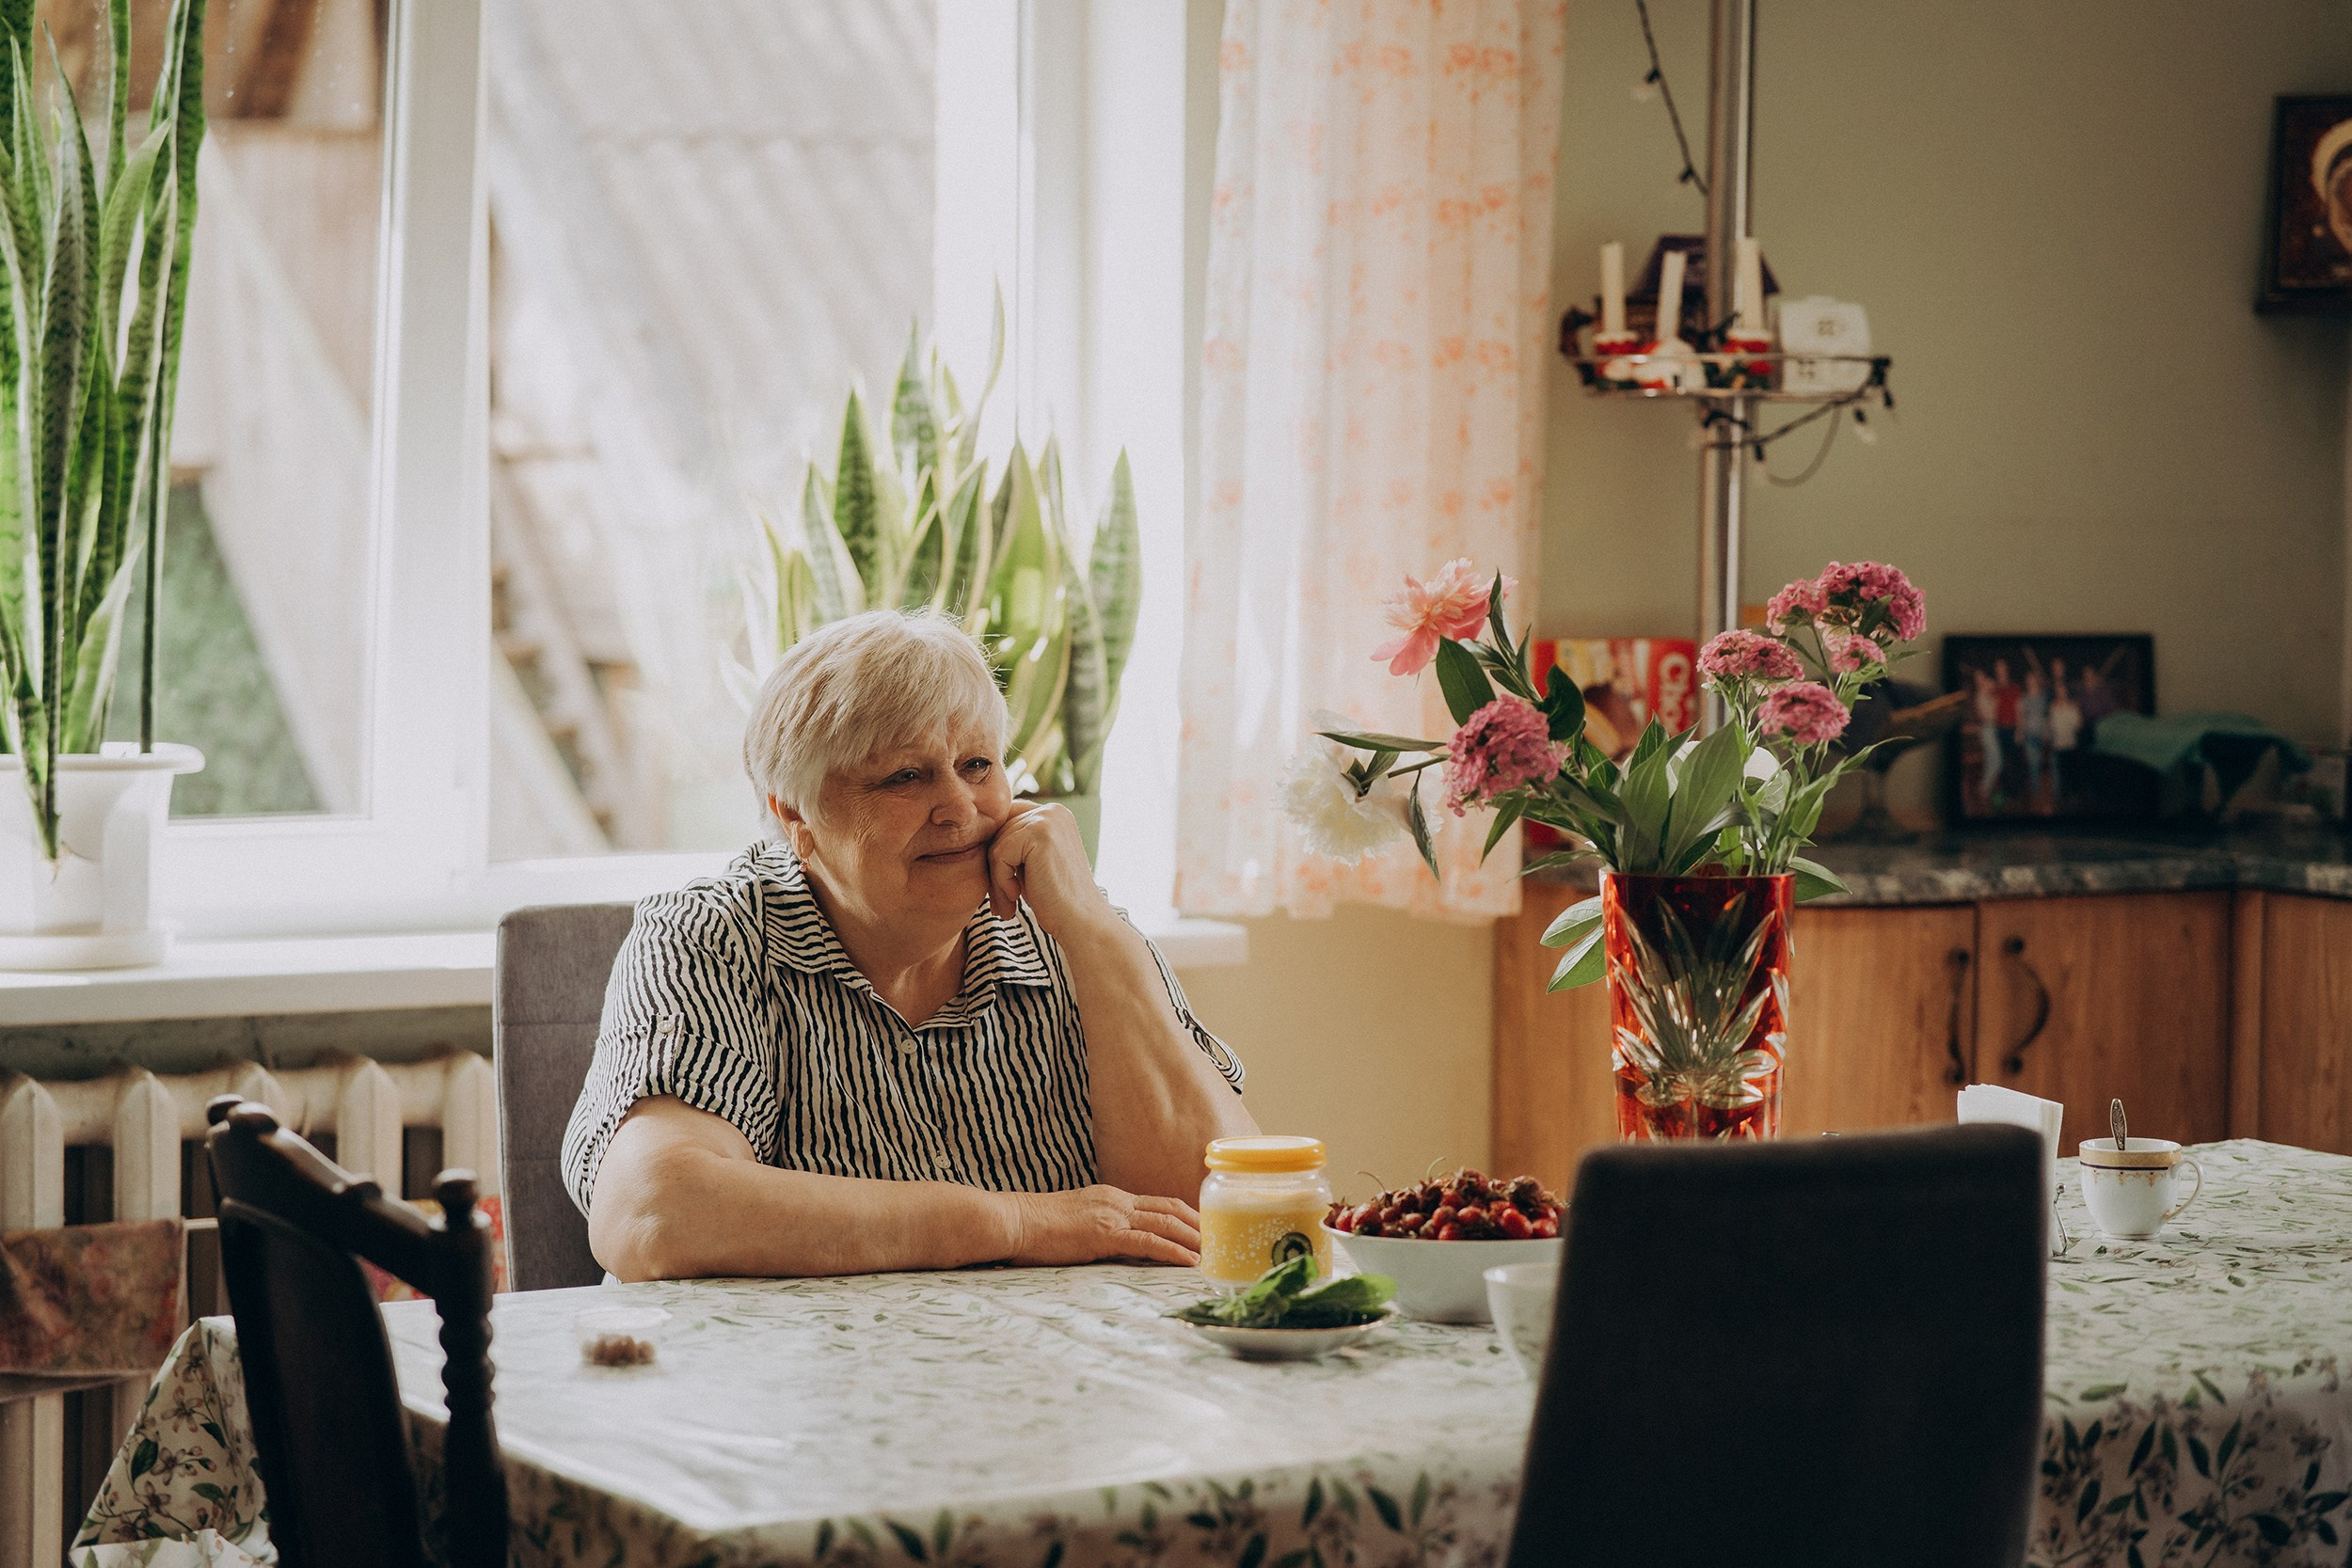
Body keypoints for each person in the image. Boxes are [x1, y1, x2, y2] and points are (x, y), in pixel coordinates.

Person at [563, 610, 1258, 1280]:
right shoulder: (715, 939)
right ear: (795, 813)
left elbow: (1232, 1206)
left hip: (1042, 1380)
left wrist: (1095, 929)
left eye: (978, 764)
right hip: (782, 1390)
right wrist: (1018, 1225)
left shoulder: (1070, 932)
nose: (960, 806)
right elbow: (655, 1211)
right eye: (905, 775)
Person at [2048, 673, 2085, 809]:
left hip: (2071, 744)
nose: (2061, 693)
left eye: (2063, 691)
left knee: (2072, 772)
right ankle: (2063, 800)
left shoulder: (2073, 706)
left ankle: (2074, 797)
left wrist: (2069, 715)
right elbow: (2052, 725)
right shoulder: (2053, 707)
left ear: (2066, 692)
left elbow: (2078, 725)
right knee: (2062, 774)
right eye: (2059, 691)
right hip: (2059, 745)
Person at [2018, 670, 2052, 814]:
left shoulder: (2043, 697)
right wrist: (2020, 732)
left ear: (2036, 681)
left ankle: (2041, 795)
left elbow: (2046, 717)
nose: (2030, 682)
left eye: (2032, 679)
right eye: (2028, 680)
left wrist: (2046, 732)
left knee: (2039, 764)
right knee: (2033, 764)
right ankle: (2036, 794)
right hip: (2029, 735)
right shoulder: (2024, 698)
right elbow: (2021, 718)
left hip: (2041, 735)